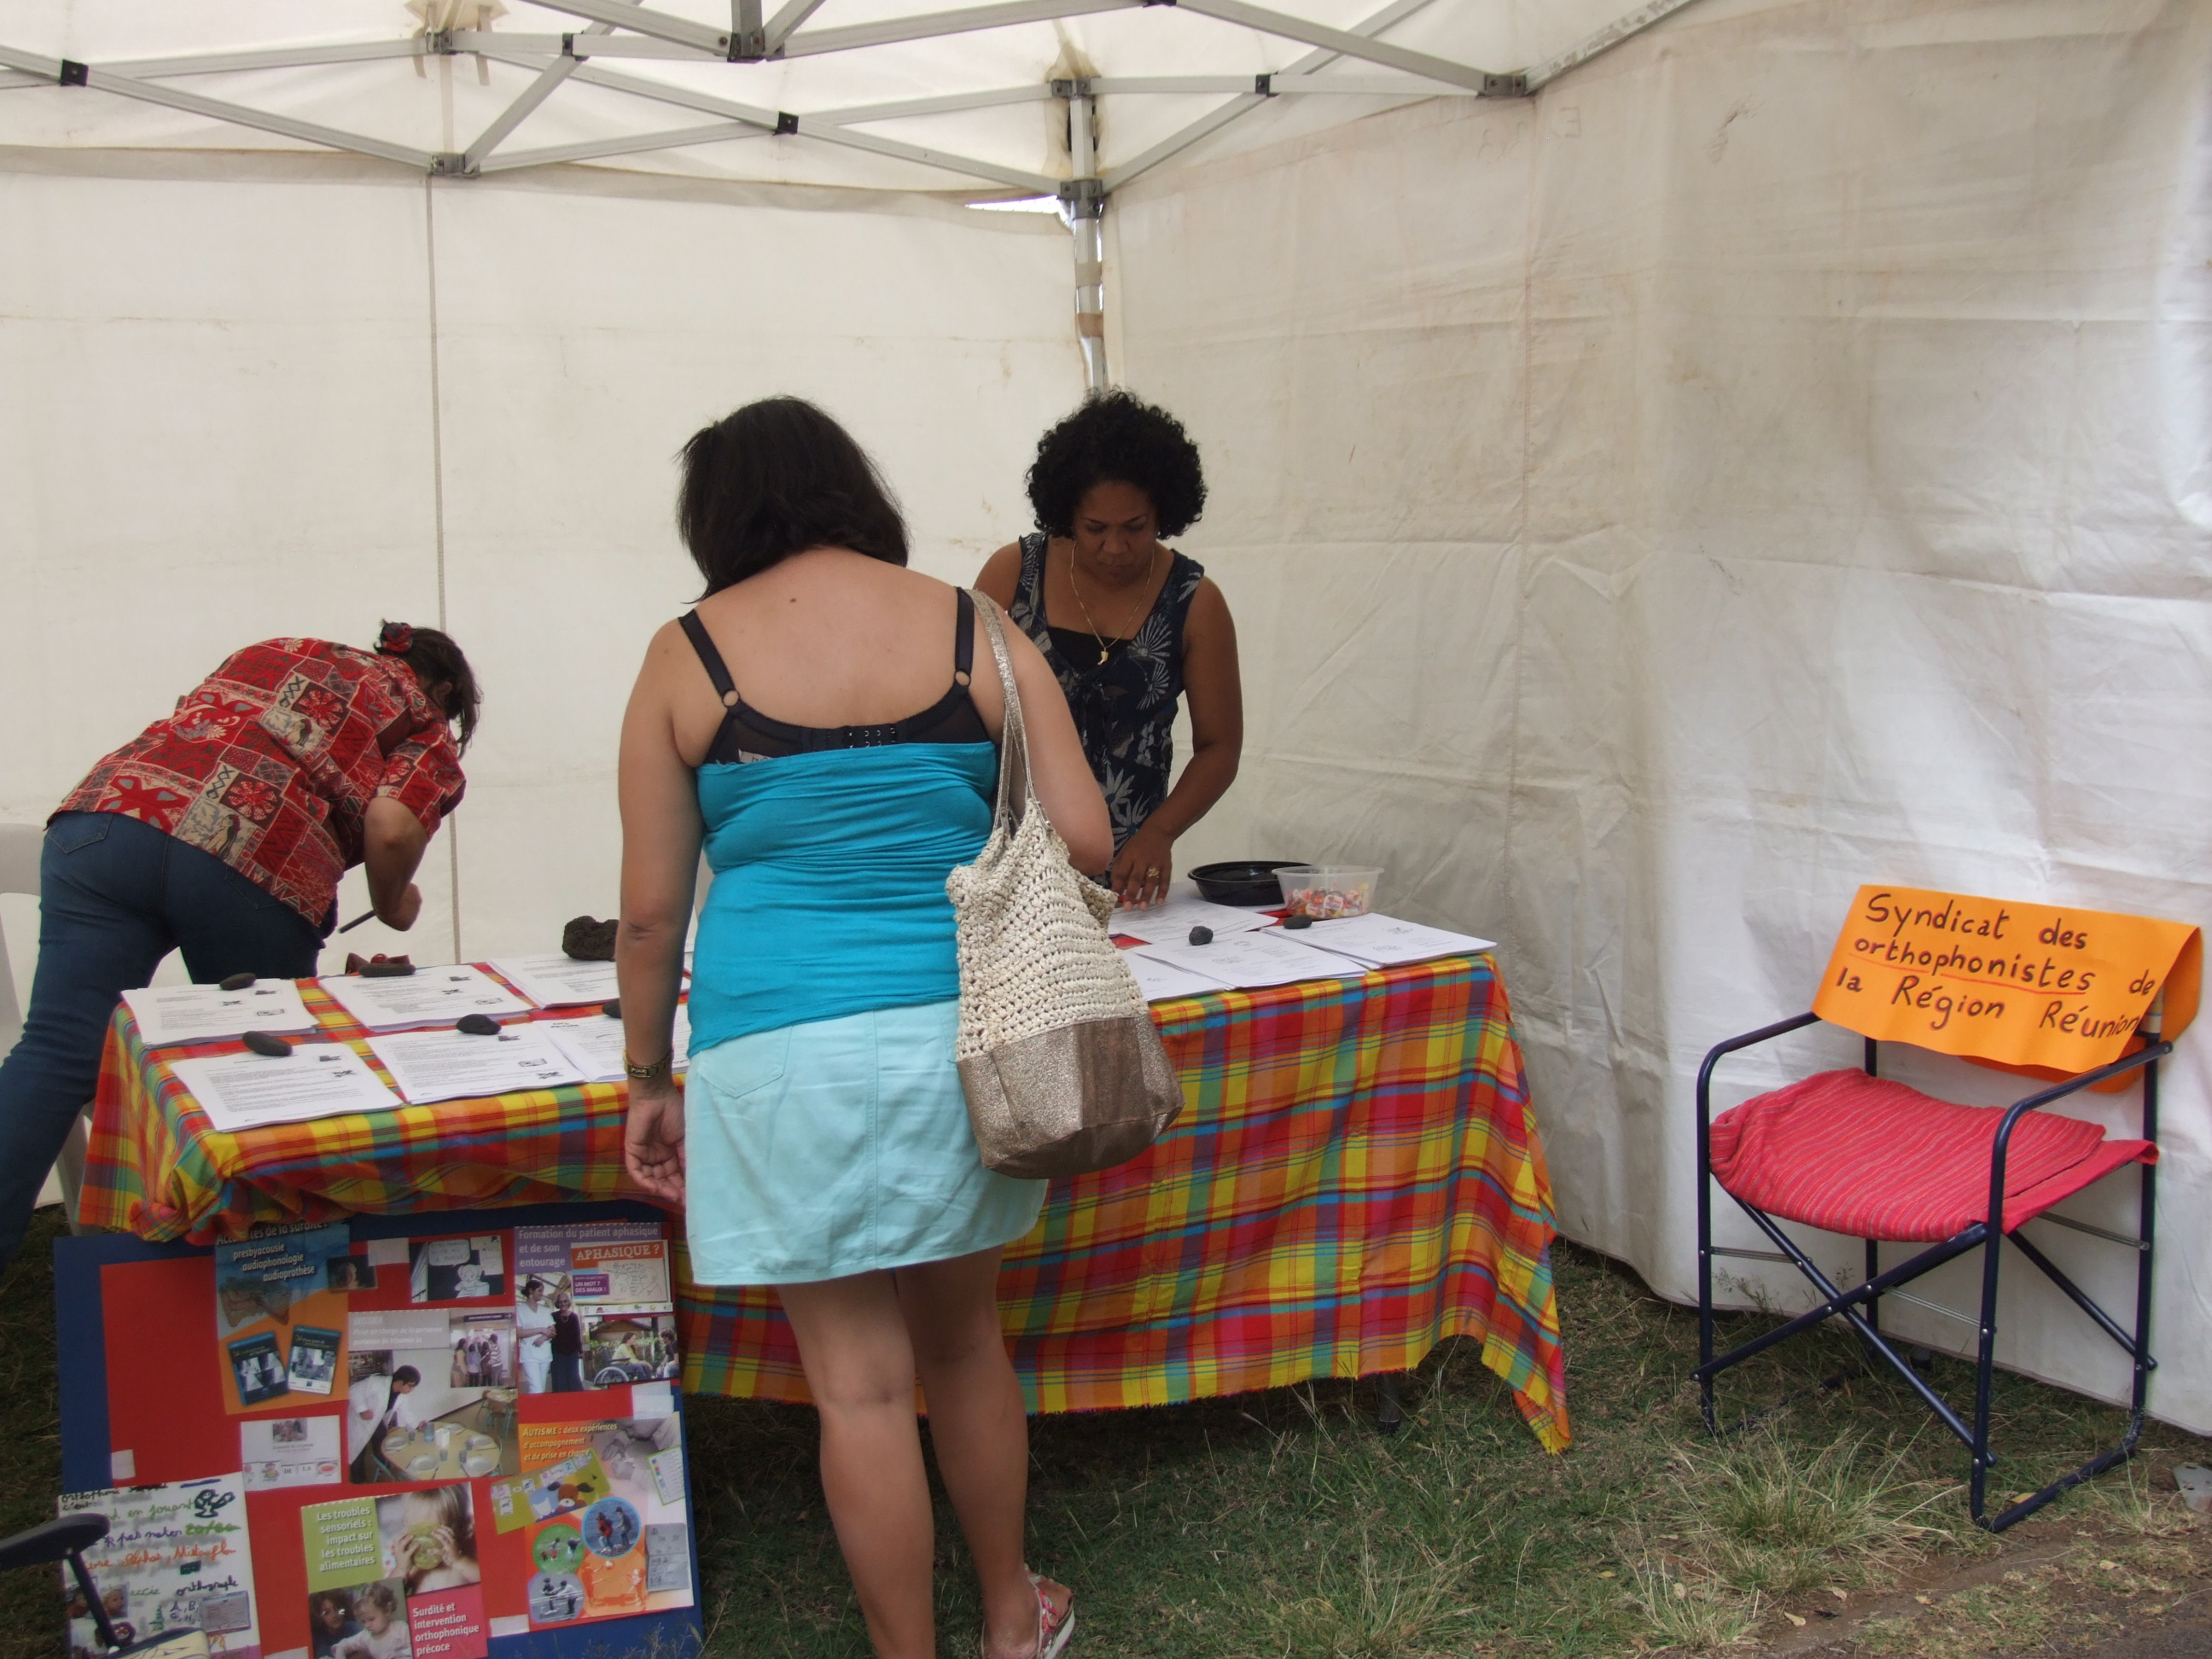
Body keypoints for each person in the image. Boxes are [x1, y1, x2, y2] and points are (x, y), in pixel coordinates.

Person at [616, 397, 1109, 1659]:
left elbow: (647, 914)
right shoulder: (972, 623)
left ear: (715, 516)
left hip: (774, 1050)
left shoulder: (686, 655)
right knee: (964, 1343)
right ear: (855, 490)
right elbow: (1090, 838)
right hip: (966, 1034)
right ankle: (1012, 1618)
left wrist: (643, 1080)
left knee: (858, 1386)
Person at [0, 623, 478, 1263]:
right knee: (265, 1073)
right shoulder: (424, 725)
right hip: (250, 853)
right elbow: (391, 829)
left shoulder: (279, 649)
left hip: (111, 820)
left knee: (57, 1051)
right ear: (442, 687)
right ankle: (265, 1274)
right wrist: (394, 903)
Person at [976, 391, 1242, 908]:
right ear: (1065, 513)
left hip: (1126, 876)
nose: (1115, 547)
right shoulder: (1013, 575)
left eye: (1135, 527)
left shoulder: (1195, 602)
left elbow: (1220, 747)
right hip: (1012, 863)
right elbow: (969, 712)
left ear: (1164, 511)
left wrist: (1160, 833)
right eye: (1095, 529)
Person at [393, 1487, 480, 1593]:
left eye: (435, 1533)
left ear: (463, 1528)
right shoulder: (410, 1566)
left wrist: (459, 1561)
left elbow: (491, 1582)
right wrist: (401, 1569)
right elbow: (386, 1595)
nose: (424, 1542)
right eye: (416, 1533)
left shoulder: (464, 1558)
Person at [347, 1365, 422, 1481]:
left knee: (382, 1443)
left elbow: (407, 1412)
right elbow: (353, 1390)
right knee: (358, 1455)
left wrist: (417, 1425)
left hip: (376, 1421)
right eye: (410, 1386)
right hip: (360, 1422)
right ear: (401, 1381)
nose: (412, 1390)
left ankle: (384, 1467)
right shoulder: (377, 1382)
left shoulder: (402, 1395)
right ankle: (360, 1482)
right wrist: (362, 1410)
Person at [331, 1583, 410, 1659]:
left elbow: (417, 1649)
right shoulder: (366, 1636)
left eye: (371, 1619)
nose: (367, 1625)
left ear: (387, 1610)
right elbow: (343, 1645)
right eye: (363, 1621)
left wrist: (400, 1655)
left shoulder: (401, 1629)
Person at [516, 1278, 554, 1394]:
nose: (542, 1294)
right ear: (531, 1291)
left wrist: (543, 1338)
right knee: (536, 1387)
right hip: (529, 1354)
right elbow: (519, 1333)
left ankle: (540, 1411)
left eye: (542, 1291)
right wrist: (541, 1330)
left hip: (545, 1354)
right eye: (540, 1291)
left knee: (541, 1387)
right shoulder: (519, 1309)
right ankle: (535, 1411)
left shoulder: (545, 1310)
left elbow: (553, 1331)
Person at [549, 1291, 585, 1393]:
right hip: (558, 1352)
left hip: (572, 1352)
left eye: (565, 1301)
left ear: (569, 1302)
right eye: (560, 1302)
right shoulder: (553, 1316)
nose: (563, 1304)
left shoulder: (574, 1316)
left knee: (574, 1376)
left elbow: (577, 1335)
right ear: (557, 1303)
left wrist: (580, 1351)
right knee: (560, 1378)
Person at [308, 1591, 361, 1659]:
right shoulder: (316, 1638)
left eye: (338, 1609)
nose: (334, 1615)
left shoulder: (353, 1628)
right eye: (326, 1613)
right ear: (319, 1616)